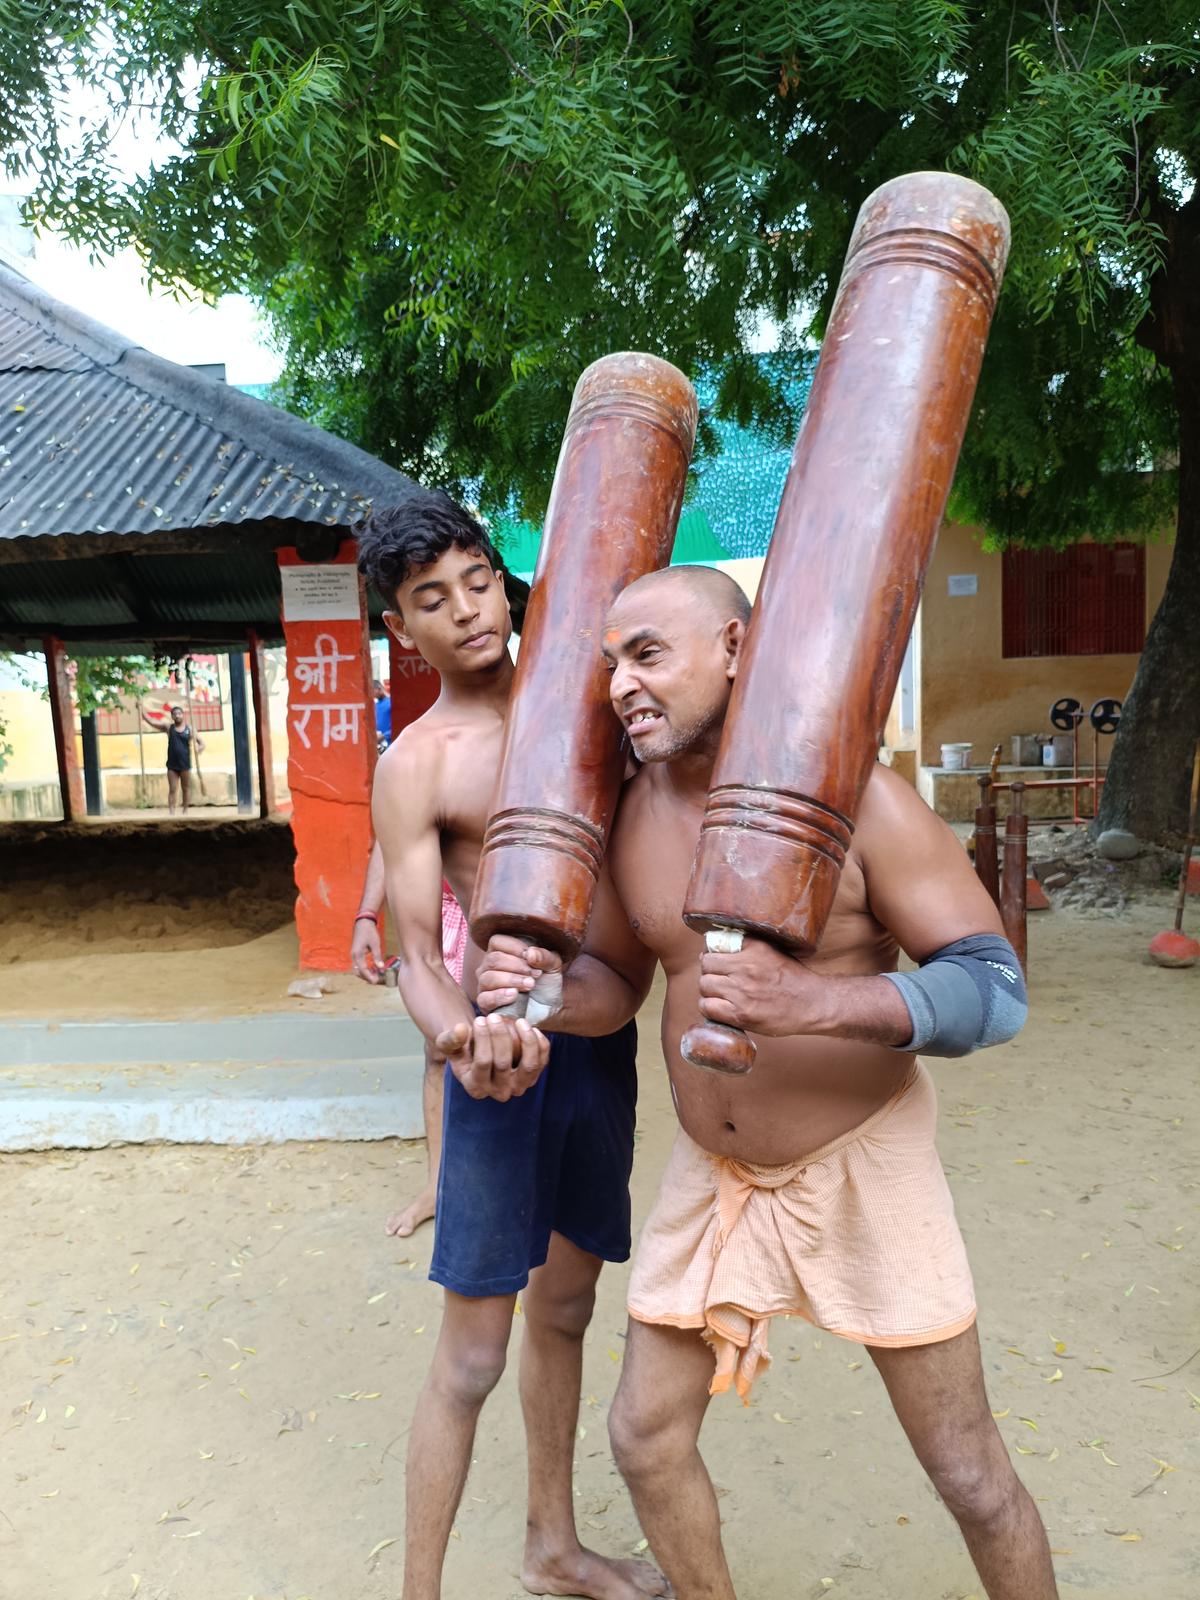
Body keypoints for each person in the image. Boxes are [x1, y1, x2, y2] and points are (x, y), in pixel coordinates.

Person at [478, 566, 1058, 1600]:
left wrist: (817, 1002)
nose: (620, 685)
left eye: (648, 654)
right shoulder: (633, 813)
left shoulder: (858, 799)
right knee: (645, 1435)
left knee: (969, 1475)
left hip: (864, 1164)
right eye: (611, 663)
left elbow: (996, 990)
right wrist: (533, 997)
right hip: (718, 1173)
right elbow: (615, 987)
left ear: (739, 650)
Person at [356, 491, 667, 1600]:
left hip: (595, 1035)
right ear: (403, 628)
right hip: (495, 1062)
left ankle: (552, 1545)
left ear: (505, 574)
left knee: (570, 1307)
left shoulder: (593, 701)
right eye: (431, 600)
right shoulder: (419, 763)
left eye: (478, 580)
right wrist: (461, 1043)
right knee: (472, 1356)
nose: (468, 611)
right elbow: (415, 955)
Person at [350, 840, 467, 1237]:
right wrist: (367, 915)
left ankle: (518, 1188)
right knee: (440, 1051)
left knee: (513, 1044)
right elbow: (391, 833)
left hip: (505, 911)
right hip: (444, 913)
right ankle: (438, 1187)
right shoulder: (411, 776)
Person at [141, 702, 203, 815]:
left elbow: (202, 743)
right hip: (172, 765)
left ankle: (185, 811)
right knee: (173, 789)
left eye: (179, 713)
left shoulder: (189, 729)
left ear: (183, 715)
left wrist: (199, 749)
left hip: (185, 764)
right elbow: (151, 722)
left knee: (186, 788)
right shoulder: (169, 728)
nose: (177, 715)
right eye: (175, 714)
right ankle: (172, 813)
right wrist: (141, 709)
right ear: (172, 716)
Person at [373, 677, 392, 751]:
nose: (372, 694)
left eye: (373, 690)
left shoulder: (391, 703)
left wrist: (384, 736)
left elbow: (399, 726)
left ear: (379, 688)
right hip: (379, 746)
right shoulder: (375, 705)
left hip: (391, 743)